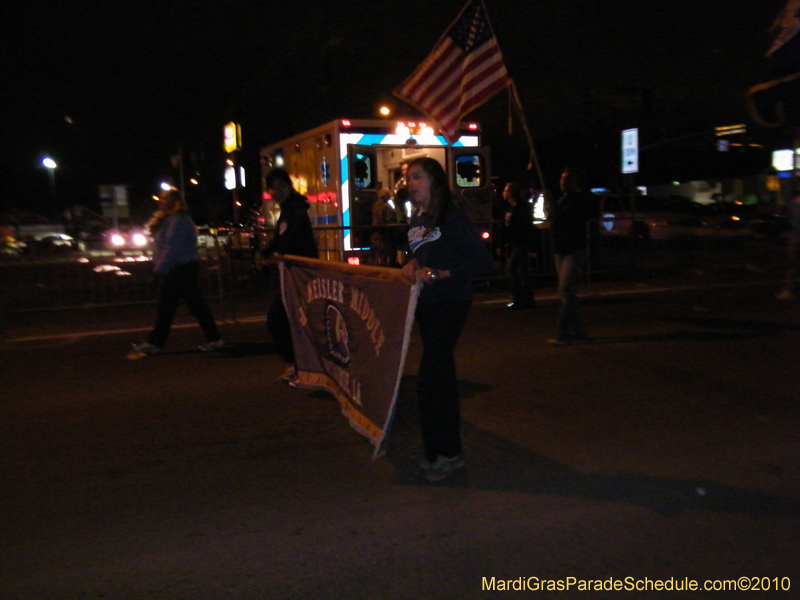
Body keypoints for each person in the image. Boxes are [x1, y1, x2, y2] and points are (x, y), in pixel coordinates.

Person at [401, 157, 494, 482]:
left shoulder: (451, 217)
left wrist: (442, 274)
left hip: (450, 301)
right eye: (407, 178)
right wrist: (412, 264)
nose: (410, 184)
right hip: (426, 304)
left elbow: (483, 261)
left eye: (416, 177)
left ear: (434, 181)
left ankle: (443, 453)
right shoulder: (417, 218)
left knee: (431, 379)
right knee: (439, 377)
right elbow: (420, 253)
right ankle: (447, 453)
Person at [130, 191, 223, 357]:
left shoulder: (179, 220)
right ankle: (214, 338)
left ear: (174, 201)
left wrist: (161, 269)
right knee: (194, 305)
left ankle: (155, 342)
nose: (161, 202)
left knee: (168, 306)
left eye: (165, 199)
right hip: (180, 267)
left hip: (180, 268)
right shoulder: (171, 219)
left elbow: (172, 248)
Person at [262, 168, 318, 380]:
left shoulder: (297, 211)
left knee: (281, 320)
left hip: (299, 274)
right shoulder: (287, 210)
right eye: (273, 188)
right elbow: (281, 237)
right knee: (290, 320)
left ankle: (300, 364)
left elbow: (294, 239)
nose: (278, 192)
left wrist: (280, 253)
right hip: (291, 274)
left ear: (289, 187)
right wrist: (268, 251)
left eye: (281, 187)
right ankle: (300, 364)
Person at [547, 166, 599, 346]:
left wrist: (552, 204)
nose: (563, 182)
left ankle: (564, 332)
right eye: (562, 179)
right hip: (561, 248)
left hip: (574, 248)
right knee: (567, 292)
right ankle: (578, 330)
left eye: (567, 179)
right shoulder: (563, 199)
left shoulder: (582, 199)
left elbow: (565, 218)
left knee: (566, 289)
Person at [502, 182, 539, 310]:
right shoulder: (510, 208)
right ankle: (525, 298)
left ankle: (520, 298)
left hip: (521, 243)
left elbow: (526, 227)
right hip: (514, 243)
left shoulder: (522, 208)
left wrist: (531, 246)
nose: (503, 193)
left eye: (506, 191)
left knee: (513, 269)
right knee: (522, 270)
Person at [370, 188, 397, 266]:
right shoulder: (386, 207)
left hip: (375, 235)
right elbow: (390, 220)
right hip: (384, 236)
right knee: (386, 256)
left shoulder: (375, 205)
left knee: (377, 256)